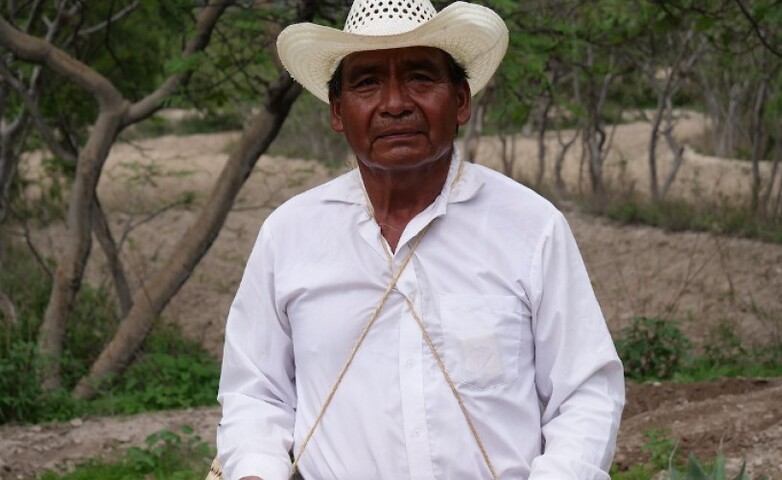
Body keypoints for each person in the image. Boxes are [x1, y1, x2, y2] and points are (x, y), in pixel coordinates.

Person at [216, 1, 625, 479]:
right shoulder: (289, 235)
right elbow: (254, 393)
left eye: (419, 78)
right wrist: (256, 470)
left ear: (461, 101)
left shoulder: (531, 227)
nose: (394, 103)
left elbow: (586, 393)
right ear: (337, 111)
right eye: (367, 82)